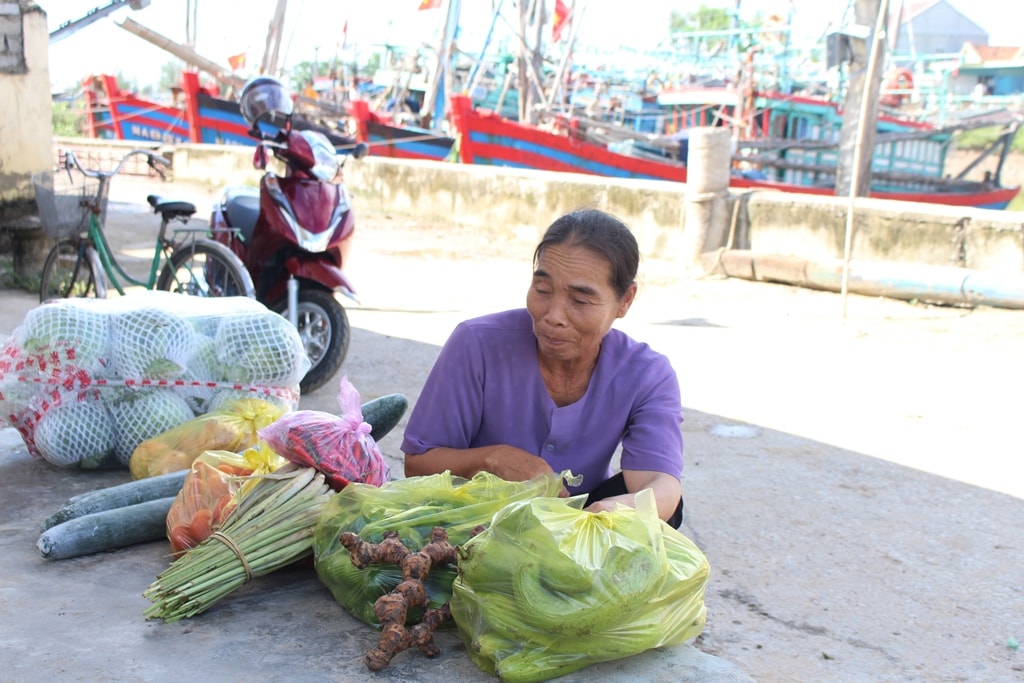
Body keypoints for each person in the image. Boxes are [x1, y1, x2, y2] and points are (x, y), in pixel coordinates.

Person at [401, 208, 685, 527]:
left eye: (580, 301)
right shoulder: (477, 344)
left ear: (625, 301)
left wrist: (607, 515)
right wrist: (489, 459)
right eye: (543, 291)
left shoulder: (646, 374)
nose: (553, 315)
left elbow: (661, 485)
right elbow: (417, 464)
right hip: (478, 519)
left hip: (578, 518)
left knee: (660, 514)